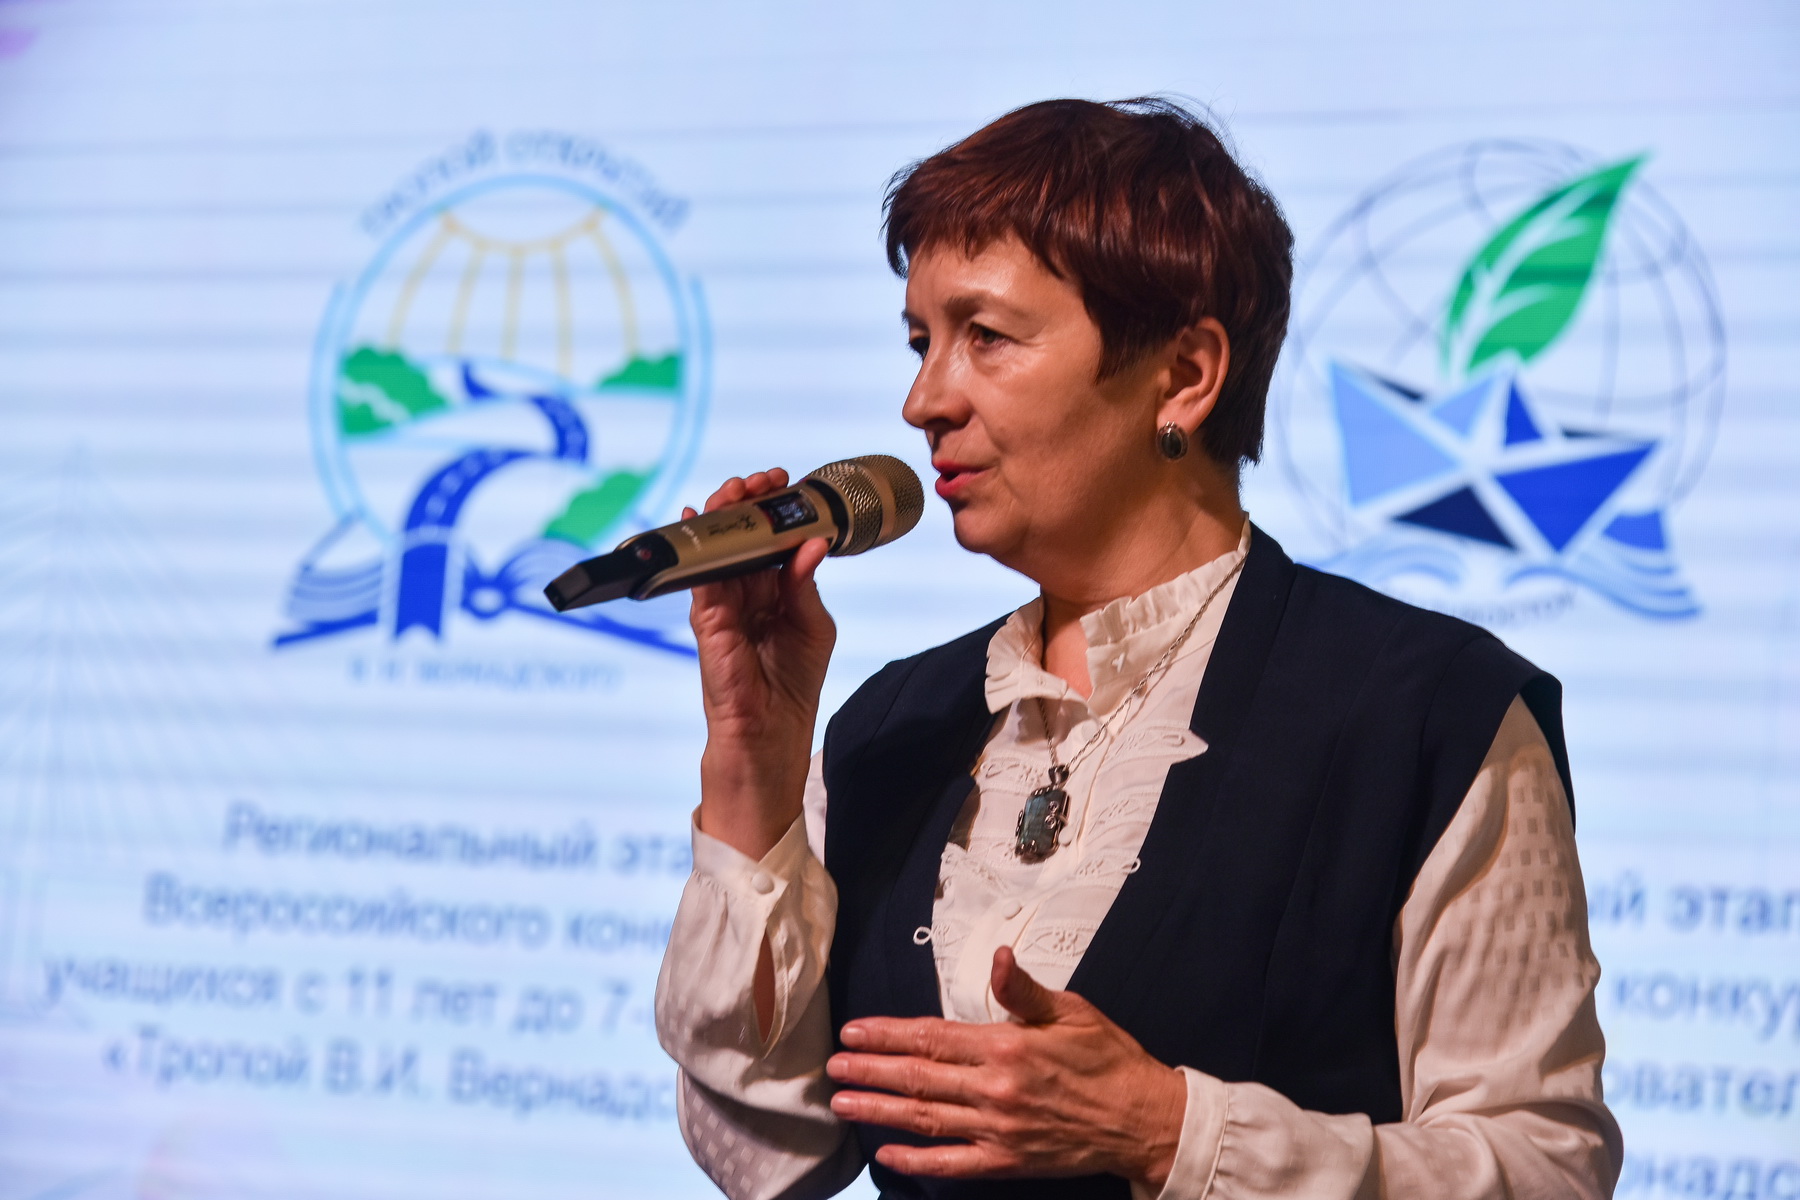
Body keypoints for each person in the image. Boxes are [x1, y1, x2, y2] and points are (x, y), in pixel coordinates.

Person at [654, 97, 1622, 1200]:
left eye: (985, 337)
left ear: (1185, 374)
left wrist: (1170, 1131)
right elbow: (767, 1156)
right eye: (921, 342)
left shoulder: (1428, 715)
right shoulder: (895, 725)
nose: (923, 402)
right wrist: (754, 761)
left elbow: (1546, 1170)